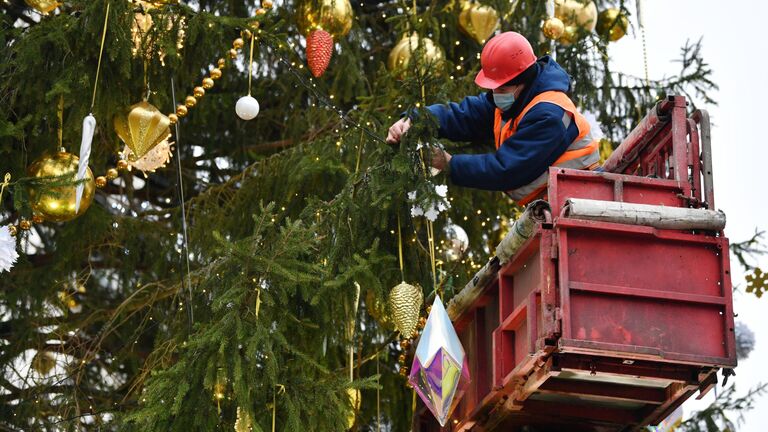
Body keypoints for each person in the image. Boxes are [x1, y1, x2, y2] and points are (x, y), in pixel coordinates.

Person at [386, 31, 600, 205]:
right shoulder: (512, 97)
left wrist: (450, 163)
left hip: (582, 202)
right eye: (493, 87)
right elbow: (463, 115)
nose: (496, 93)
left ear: (523, 81)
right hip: (556, 205)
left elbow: (507, 169)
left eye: (502, 87)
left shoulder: (550, 114)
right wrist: (414, 120)